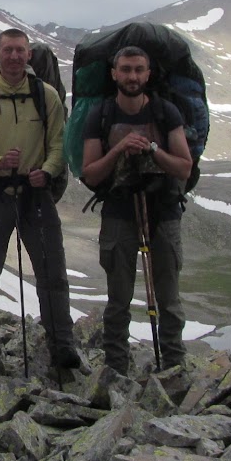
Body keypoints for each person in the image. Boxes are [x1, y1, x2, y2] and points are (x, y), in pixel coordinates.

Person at [0, 29, 80, 372]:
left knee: (52, 272)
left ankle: (63, 348)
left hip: (36, 191)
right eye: (8, 50)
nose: (14, 56)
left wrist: (49, 169)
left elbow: (60, 143)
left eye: (20, 51)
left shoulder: (47, 95)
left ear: (29, 56)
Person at [80, 45, 192, 373]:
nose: (132, 76)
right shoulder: (100, 114)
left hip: (164, 209)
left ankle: (174, 368)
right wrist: (119, 150)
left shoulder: (165, 112)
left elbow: (184, 167)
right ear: (114, 73)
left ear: (148, 74)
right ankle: (116, 371)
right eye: (126, 69)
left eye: (138, 69)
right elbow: (90, 172)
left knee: (169, 299)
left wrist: (153, 149)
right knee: (118, 300)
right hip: (118, 210)